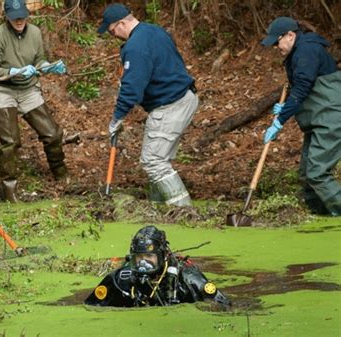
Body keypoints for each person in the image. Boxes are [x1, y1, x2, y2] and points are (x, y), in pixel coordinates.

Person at [97, 4, 198, 206]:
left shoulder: (135, 47)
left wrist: (117, 118)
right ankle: (158, 207)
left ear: (122, 23)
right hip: (185, 97)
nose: (113, 36)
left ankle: (184, 212)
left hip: (170, 104)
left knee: (154, 161)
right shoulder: (155, 31)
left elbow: (132, 88)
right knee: (160, 159)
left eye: (112, 31)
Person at [0, 0, 68, 202]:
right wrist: (12, 72)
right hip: (2, 89)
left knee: (52, 133)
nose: (19, 20)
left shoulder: (35, 33)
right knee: (10, 142)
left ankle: (61, 174)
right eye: (15, 17)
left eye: (22, 16)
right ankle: (9, 191)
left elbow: (39, 59)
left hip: (28, 88)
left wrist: (47, 66)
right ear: (7, 17)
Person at [261, 17, 340, 216]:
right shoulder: (299, 52)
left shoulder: (307, 50)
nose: (276, 47)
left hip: (330, 118)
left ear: (290, 35)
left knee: (317, 174)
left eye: (277, 41)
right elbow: (302, 87)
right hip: (317, 120)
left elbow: (303, 87)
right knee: (307, 176)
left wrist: (280, 120)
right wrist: (285, 106)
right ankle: (321, 217)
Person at [85, 225, 230, 307]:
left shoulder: (188, 278)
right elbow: (91, 306)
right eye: (138, 259)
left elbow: (223, 305)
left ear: (163, 256)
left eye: (149, 258)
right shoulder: (120, 279)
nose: (143, 264)